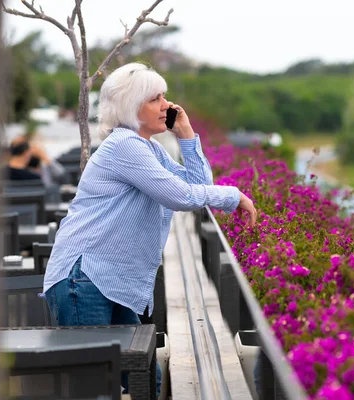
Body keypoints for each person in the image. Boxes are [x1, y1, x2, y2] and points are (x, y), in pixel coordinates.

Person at [42, 62, 257, 397]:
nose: (167, 106)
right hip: (85, 280)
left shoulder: (149, 148)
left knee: (145, 377)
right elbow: (179, 195)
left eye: (164, 97)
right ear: (132, 107)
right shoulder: (124, 146)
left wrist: (186, 136)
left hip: (109, 282)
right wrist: (233, 196)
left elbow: (197, 187)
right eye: (155, 98)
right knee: (99, 387)